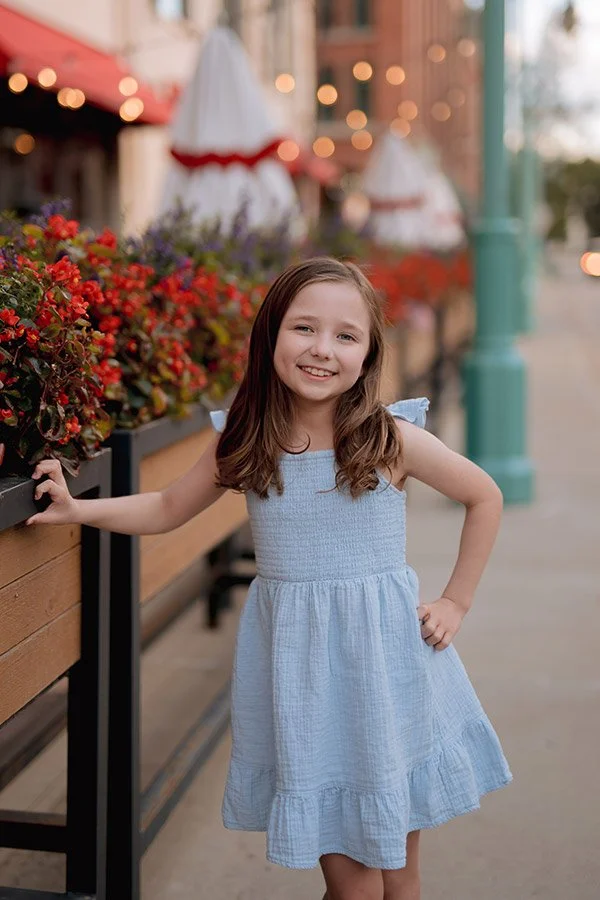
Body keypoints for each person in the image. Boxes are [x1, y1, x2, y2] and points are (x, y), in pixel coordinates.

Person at [27, 257, 511, 900]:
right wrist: (75, 508)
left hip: (391, 677)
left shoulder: (388, 438)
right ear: (270, 335)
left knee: (402, 878)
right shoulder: (248, 437)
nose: (321, 349)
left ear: (368, 356)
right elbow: (169, 507)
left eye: (346, 336)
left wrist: (456, 601)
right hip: (310, 685)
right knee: (357, 885)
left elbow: (485, 496)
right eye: (303, 327)